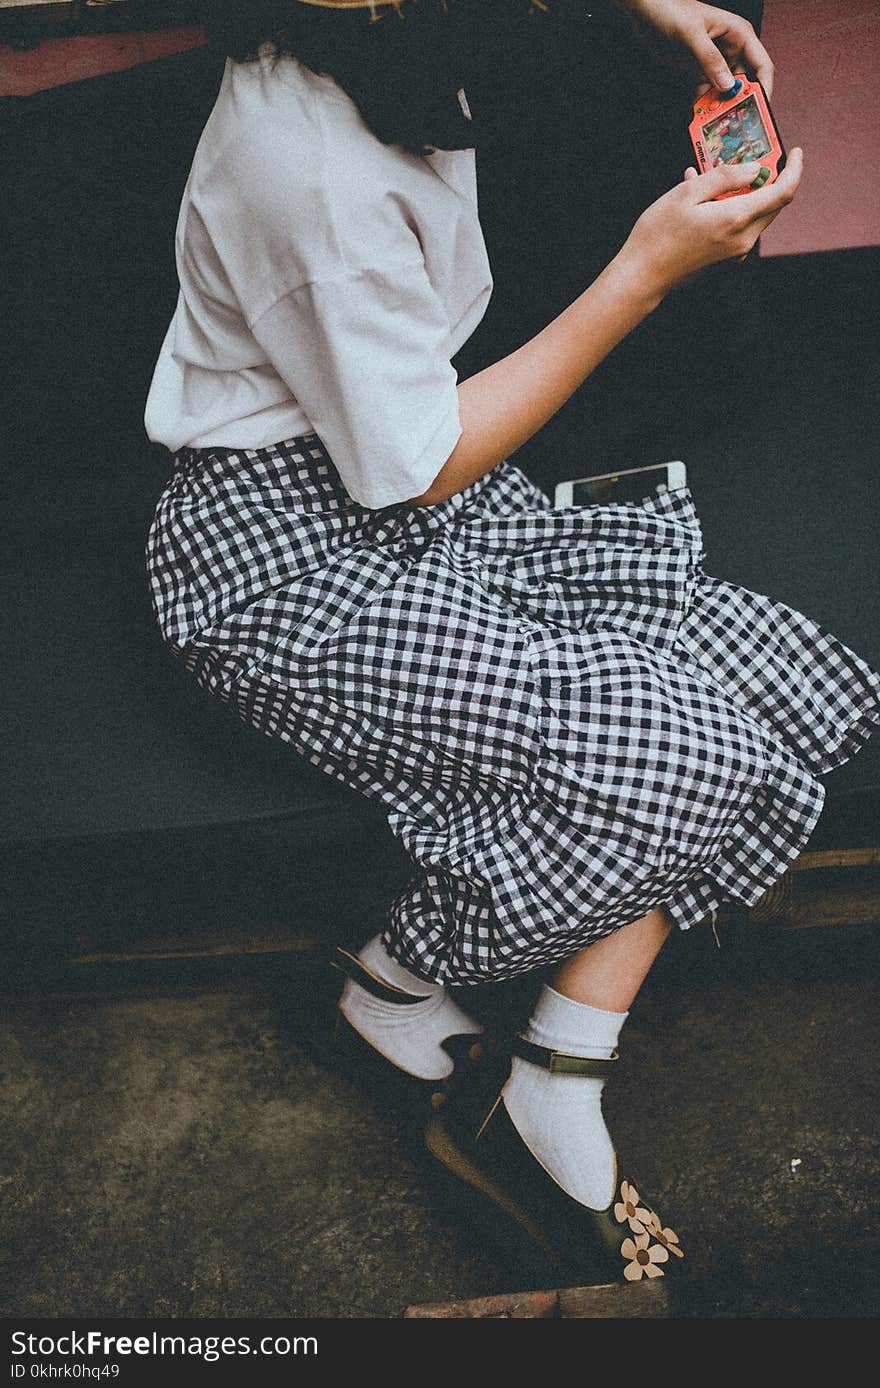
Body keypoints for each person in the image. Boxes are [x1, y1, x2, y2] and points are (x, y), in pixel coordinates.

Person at [143, 0, 880, 1287]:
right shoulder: (301, 164)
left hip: (415, 478)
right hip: (285, 556)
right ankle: (395, 980)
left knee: (784, 679)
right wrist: (644, 271)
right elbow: (414, 469)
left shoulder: (404, 48)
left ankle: (545, 1070)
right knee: (689, 754)